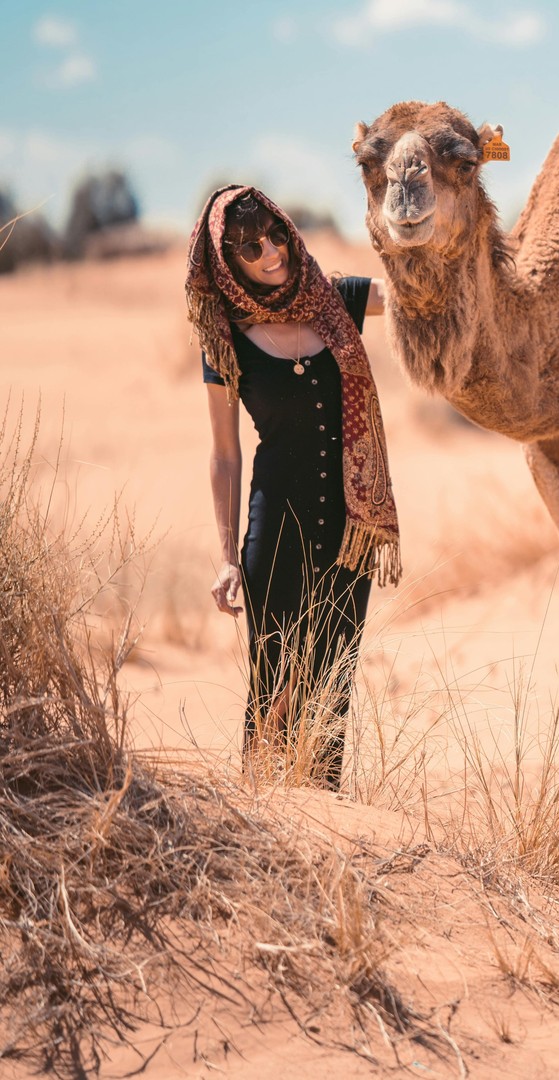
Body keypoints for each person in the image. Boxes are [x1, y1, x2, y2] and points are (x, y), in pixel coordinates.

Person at [185, 185, 401, 789]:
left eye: (276, 234)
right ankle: (268, 826)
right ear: (227, 259)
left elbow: (416, 293)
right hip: (275, 530)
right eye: (251, 246)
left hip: (349, 532)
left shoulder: (339, 300)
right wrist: (227, 558)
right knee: (274, 683)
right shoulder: (222, 336)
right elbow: (225, 454)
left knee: (332, 687)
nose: (271, 252)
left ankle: (327, 824)